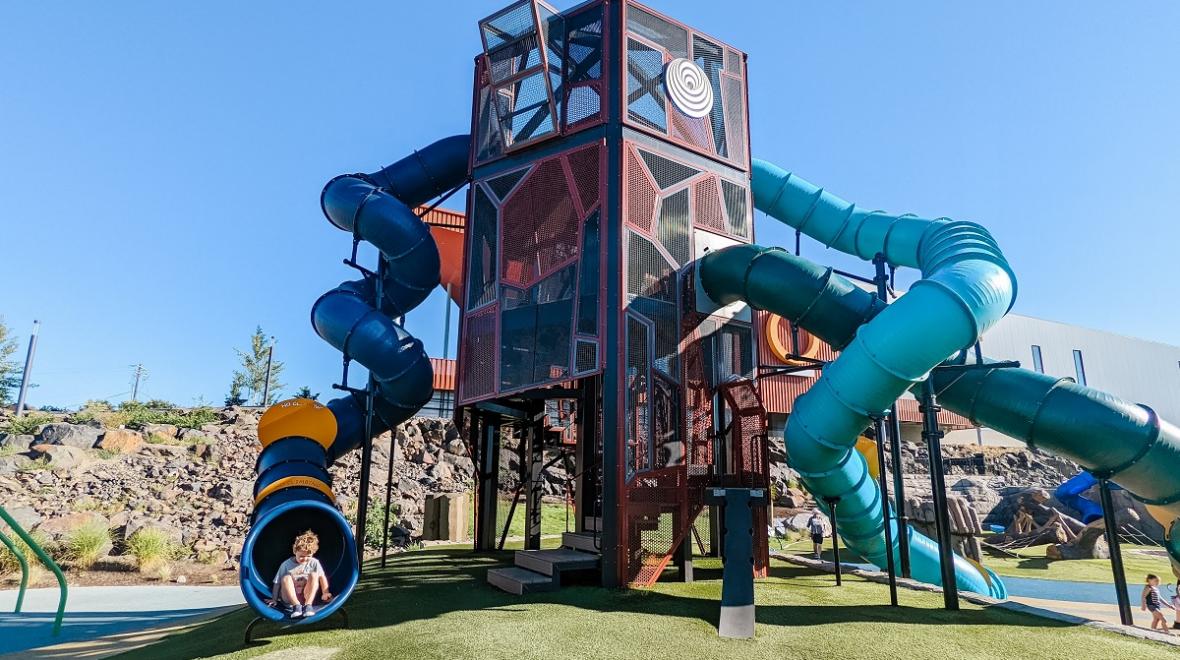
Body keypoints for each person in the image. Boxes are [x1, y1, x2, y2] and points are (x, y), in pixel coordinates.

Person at [268, 529, 333, 618]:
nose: (305, 559)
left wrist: (326, 592)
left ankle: (308, 606)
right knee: (286, 578)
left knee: (314, 575)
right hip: (289, 599)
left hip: (306, 596)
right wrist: (274, 599)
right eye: (301, 556)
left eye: (308, 556)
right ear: (295, 552)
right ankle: (296, 606)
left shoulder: (314, 563)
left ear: (313, 554)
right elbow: (277, 582)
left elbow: (322, 577)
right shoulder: (286, 564)